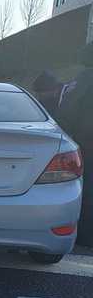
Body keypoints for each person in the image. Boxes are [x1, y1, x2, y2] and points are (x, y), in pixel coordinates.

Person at [58, 42, 93, 246]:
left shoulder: (79, 81)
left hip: (80, 138)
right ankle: (86, 235)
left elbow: (66, 111)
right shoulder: (86, 80)